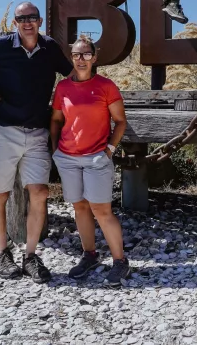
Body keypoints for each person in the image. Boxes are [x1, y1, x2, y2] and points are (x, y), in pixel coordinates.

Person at [0, 1, 73, 284]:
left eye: (32, 17)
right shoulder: (1, 47)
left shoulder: (49, 48)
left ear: (40, 20)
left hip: (37, 132)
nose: (28, 22)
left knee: (40, 193)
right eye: (22, 18)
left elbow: (69, 76)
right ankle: (2, 253)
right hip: (3, 131)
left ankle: (30, 256)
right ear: (15, 22)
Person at [50, 35, 131, 287]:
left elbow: (120, 121)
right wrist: (56, 150)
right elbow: (55, 120)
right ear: (71, 58)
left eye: (86, 54)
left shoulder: (106, 86)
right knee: (80, 207)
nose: (81, 59)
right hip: (68, 157)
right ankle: (90, 255)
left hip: (97, 157)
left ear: (94, 58)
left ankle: (120, 262)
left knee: (102, 210)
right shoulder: (63, 88)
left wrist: (109, 150)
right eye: (76, 55)